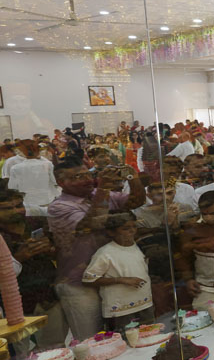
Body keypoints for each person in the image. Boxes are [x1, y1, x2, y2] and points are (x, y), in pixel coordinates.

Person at [48, 161, 145, 340]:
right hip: (79, 283)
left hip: (113, 278)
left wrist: (133, 177)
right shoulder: (59, 207)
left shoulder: (99, 194)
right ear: (61, 183)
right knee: (92, 340)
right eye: (77, 177)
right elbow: (94, 223)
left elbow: (136, 201)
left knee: (124, 334)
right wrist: (104, 188)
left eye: (88, 174)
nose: (86, 180)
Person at [0, 186, 59, 345]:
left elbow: (60, 252)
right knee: (22, 352)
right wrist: (20, 257)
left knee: (55, 346)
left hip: (49, 295)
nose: (16, 211)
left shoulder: (36, 222)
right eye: (7, 208)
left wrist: (49, 249)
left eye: (19, 205)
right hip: (16, 305)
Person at [82, 212, 153, 328]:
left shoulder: (137, 246)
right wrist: (121, 280)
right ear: (111, 232)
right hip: (120, 310)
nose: (132, 231)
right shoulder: (105, 253)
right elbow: (88, 280)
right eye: (126, 229)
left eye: (134, 227)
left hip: (144, 304)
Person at [6, 139, 59, 217]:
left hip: (28, 203)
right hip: (47, 199)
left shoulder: (15, 168)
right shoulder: (47, 164)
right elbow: (55, 182)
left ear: (22, 151)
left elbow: (12, 187)